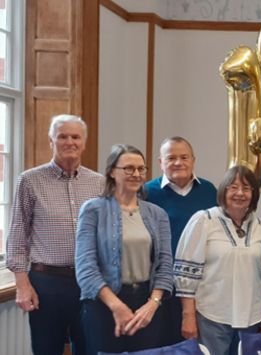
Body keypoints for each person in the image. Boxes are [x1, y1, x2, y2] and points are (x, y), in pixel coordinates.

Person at [6, 114, 104, 355]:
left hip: (88, 282)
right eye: (62, 136)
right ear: (51, 141)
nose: (69, 142)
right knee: (45, 349)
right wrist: (22, 285)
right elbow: (18, 234)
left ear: (84, 142)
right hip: (46, 284)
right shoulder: (29, 180)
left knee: (91, 349)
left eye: (75, 137)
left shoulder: (99, 183)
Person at [75, 144, 173, 354]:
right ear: (112, 171)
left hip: (147, 304)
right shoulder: (93, 210)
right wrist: (117, 307)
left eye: (141, 169)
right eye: (128, 168)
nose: (136, 174)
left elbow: (165, 265)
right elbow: (85, 268)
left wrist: (153, 304)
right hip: (104, 305)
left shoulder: (157, 214)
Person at [174, 165, 261, 355]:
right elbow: (185, 272)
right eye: (233, 187)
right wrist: (188, 315)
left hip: (251, 317)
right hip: (212, 316)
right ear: (223, 190)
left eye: (246, 188)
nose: (240, 193)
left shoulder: (259, 224)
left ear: (253, 194)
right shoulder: (204, 220)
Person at [145, 136, 217, 345]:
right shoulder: (147, 192)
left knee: (197, 346)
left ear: (193, 160)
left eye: (184, 157)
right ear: (160, 163)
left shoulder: (209, 191)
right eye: (171, 158)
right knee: (164, 346)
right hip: (161, 287)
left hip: (202, 288)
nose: (178, 162)